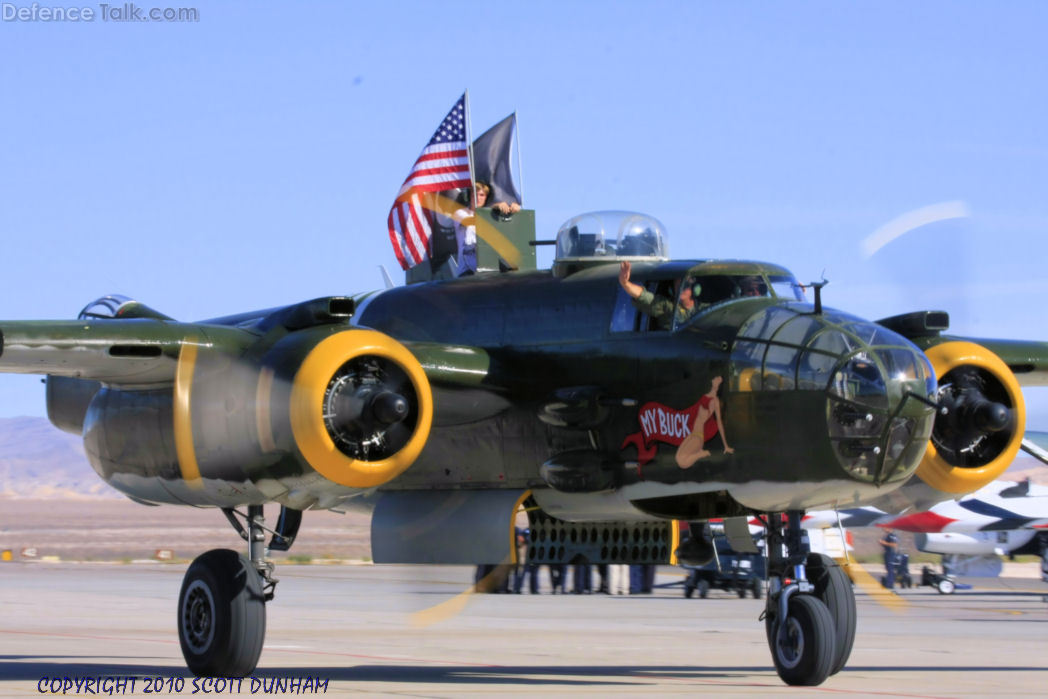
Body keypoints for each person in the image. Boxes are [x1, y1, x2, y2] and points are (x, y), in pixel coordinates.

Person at [452, 181, 520, 276]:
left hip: (488, 271)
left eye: (481, 195)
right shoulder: (460, 213)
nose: (477, 198)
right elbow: (472, 219)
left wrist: (513, 210)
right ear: (469, 196)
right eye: (474, 195)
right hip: (467, 272)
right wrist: (495, 207)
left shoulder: (492, 215)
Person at [618, 260, 699, 330]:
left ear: (694, 288)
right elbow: (646, 297)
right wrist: (625, 284)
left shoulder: (705, 309)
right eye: (677, 285)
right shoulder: (668, 306)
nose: (680, 289)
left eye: (685, 285)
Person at [675, 375, 734, 469]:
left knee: (681, 461)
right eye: (715, 378)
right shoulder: (705, 395)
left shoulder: (715, 401)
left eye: (718, 379)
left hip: (698, 436)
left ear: (719, 384)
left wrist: (725, 445)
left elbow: (719, 422)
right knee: (678, 458)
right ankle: (700, 453)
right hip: (692, 434)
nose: (715, 379)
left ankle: (701, 454)